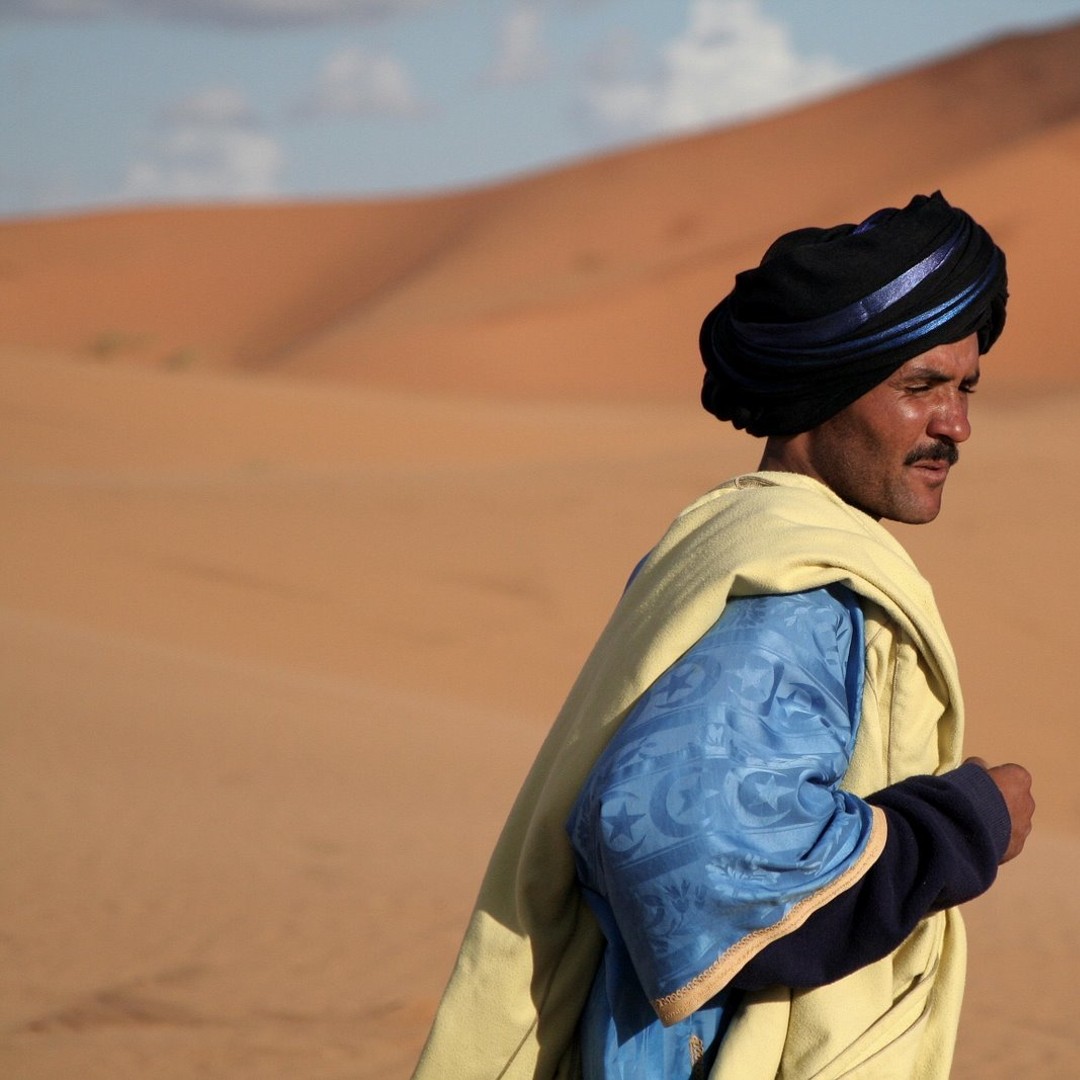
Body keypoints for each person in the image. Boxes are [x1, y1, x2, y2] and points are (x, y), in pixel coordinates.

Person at [411, 191, 1035, 1080]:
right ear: (825, 390)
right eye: (920, 387)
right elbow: (686, 861)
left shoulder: (732, 544)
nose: (956, 425)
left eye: (967, 387)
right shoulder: (795, 592)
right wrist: (965, 824)